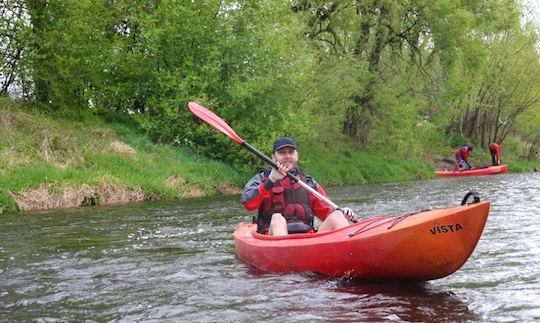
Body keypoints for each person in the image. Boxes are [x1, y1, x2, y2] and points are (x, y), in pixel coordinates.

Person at [241, 136, 356, 236]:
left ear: (297, 156)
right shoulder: (262, 179)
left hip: (307, 238)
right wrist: (271, 180)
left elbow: (327, 212)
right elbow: (248, 204)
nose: (287, 156)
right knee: (277, 218)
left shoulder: (308, 183)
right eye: (282, 152)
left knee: (337, 216)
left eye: (291, 152)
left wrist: (343, 213)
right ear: (273, 157)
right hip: (272, 237)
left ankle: (352, 251)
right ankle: (285, 256)